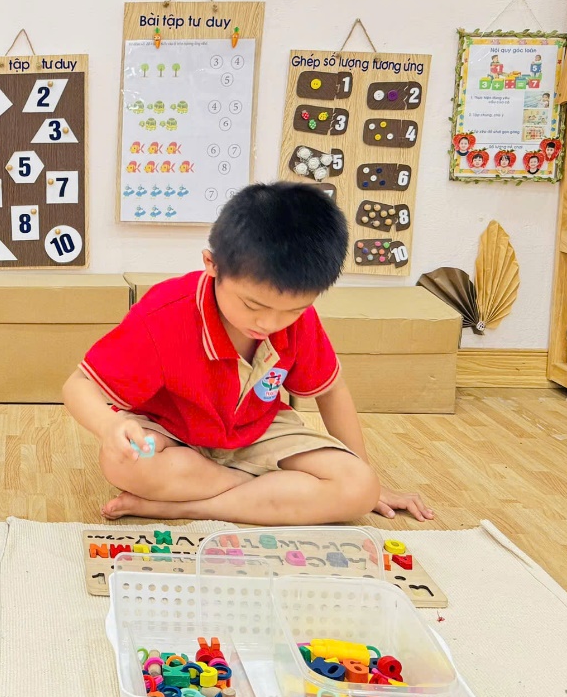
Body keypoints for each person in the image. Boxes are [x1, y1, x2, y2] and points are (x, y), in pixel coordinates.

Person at [63, 181, 432, 526]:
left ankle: (185, 507)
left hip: (258, 435)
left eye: (292, 310)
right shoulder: (164, 314)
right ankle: (264, 490)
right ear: (212, 265)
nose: (269, 323)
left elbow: (331, 390)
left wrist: (368, 477)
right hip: (171, 434)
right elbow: (78, 385)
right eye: (253, 305)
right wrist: (109, 426)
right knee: (122, 463)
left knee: (360, 487)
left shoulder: (299, 322)